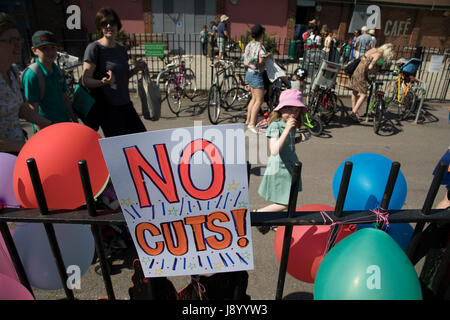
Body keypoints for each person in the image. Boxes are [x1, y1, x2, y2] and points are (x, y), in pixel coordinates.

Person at [82, 7, 147, 138]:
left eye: (112, 22)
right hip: (108, 108)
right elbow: (86, 79)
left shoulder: (121, 48)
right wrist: (103, 82)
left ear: (117, 25)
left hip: (126, 104)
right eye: (104, 23)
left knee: (141, 139)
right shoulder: (94, 48)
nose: (108, 26)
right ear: (99, 27)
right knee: (118, 147)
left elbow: (122, 77)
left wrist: (136, 69)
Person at [0, 12, 52, 155]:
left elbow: (22, 108)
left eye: (19, 40)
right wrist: (25, 147)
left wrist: (51, 125)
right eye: (12, 41)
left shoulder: (13, 72)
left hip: (19, 152)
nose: (18, 45)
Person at [256, 90, 307, 233]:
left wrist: (300, 139)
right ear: (281, 109)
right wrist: (286, 130)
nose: (292, 113)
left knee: (289, 200)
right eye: (288, 108)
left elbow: (286, 144)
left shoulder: (290, 125)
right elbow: (274, 150)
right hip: (280, 168)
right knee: (286, 202)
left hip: (290, 167)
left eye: (296, 110)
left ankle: (272, 222)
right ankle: (257, 214)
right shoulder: (276, 126)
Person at [22, 30, 78, 131]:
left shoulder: (58, 71)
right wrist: (41, 135)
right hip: (46, 129)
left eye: (53, 48)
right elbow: (32, 110)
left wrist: (75, 121)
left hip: (64, 124)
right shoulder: (32, 75)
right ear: (34, 50)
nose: (50, 52)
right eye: (44, 49)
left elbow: (65, 98)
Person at [349, 43, 394, 122]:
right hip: (362, 73)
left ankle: (355, 112)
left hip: (357, 70)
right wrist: (374, 72)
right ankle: (353, 113)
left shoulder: (373, 50)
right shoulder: (378, 55)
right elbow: (370, 67)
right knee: (364, 94)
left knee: (355, 92)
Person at [243, 24, 271, 133]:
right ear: (261, 34)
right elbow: (260, 61)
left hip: (249, 73)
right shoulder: (259, 46)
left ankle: (248, 120)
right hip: (256, 74)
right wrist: (268, 56)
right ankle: (251, 124)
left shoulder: (249, 45)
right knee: (259, 100)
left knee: (253, 99)